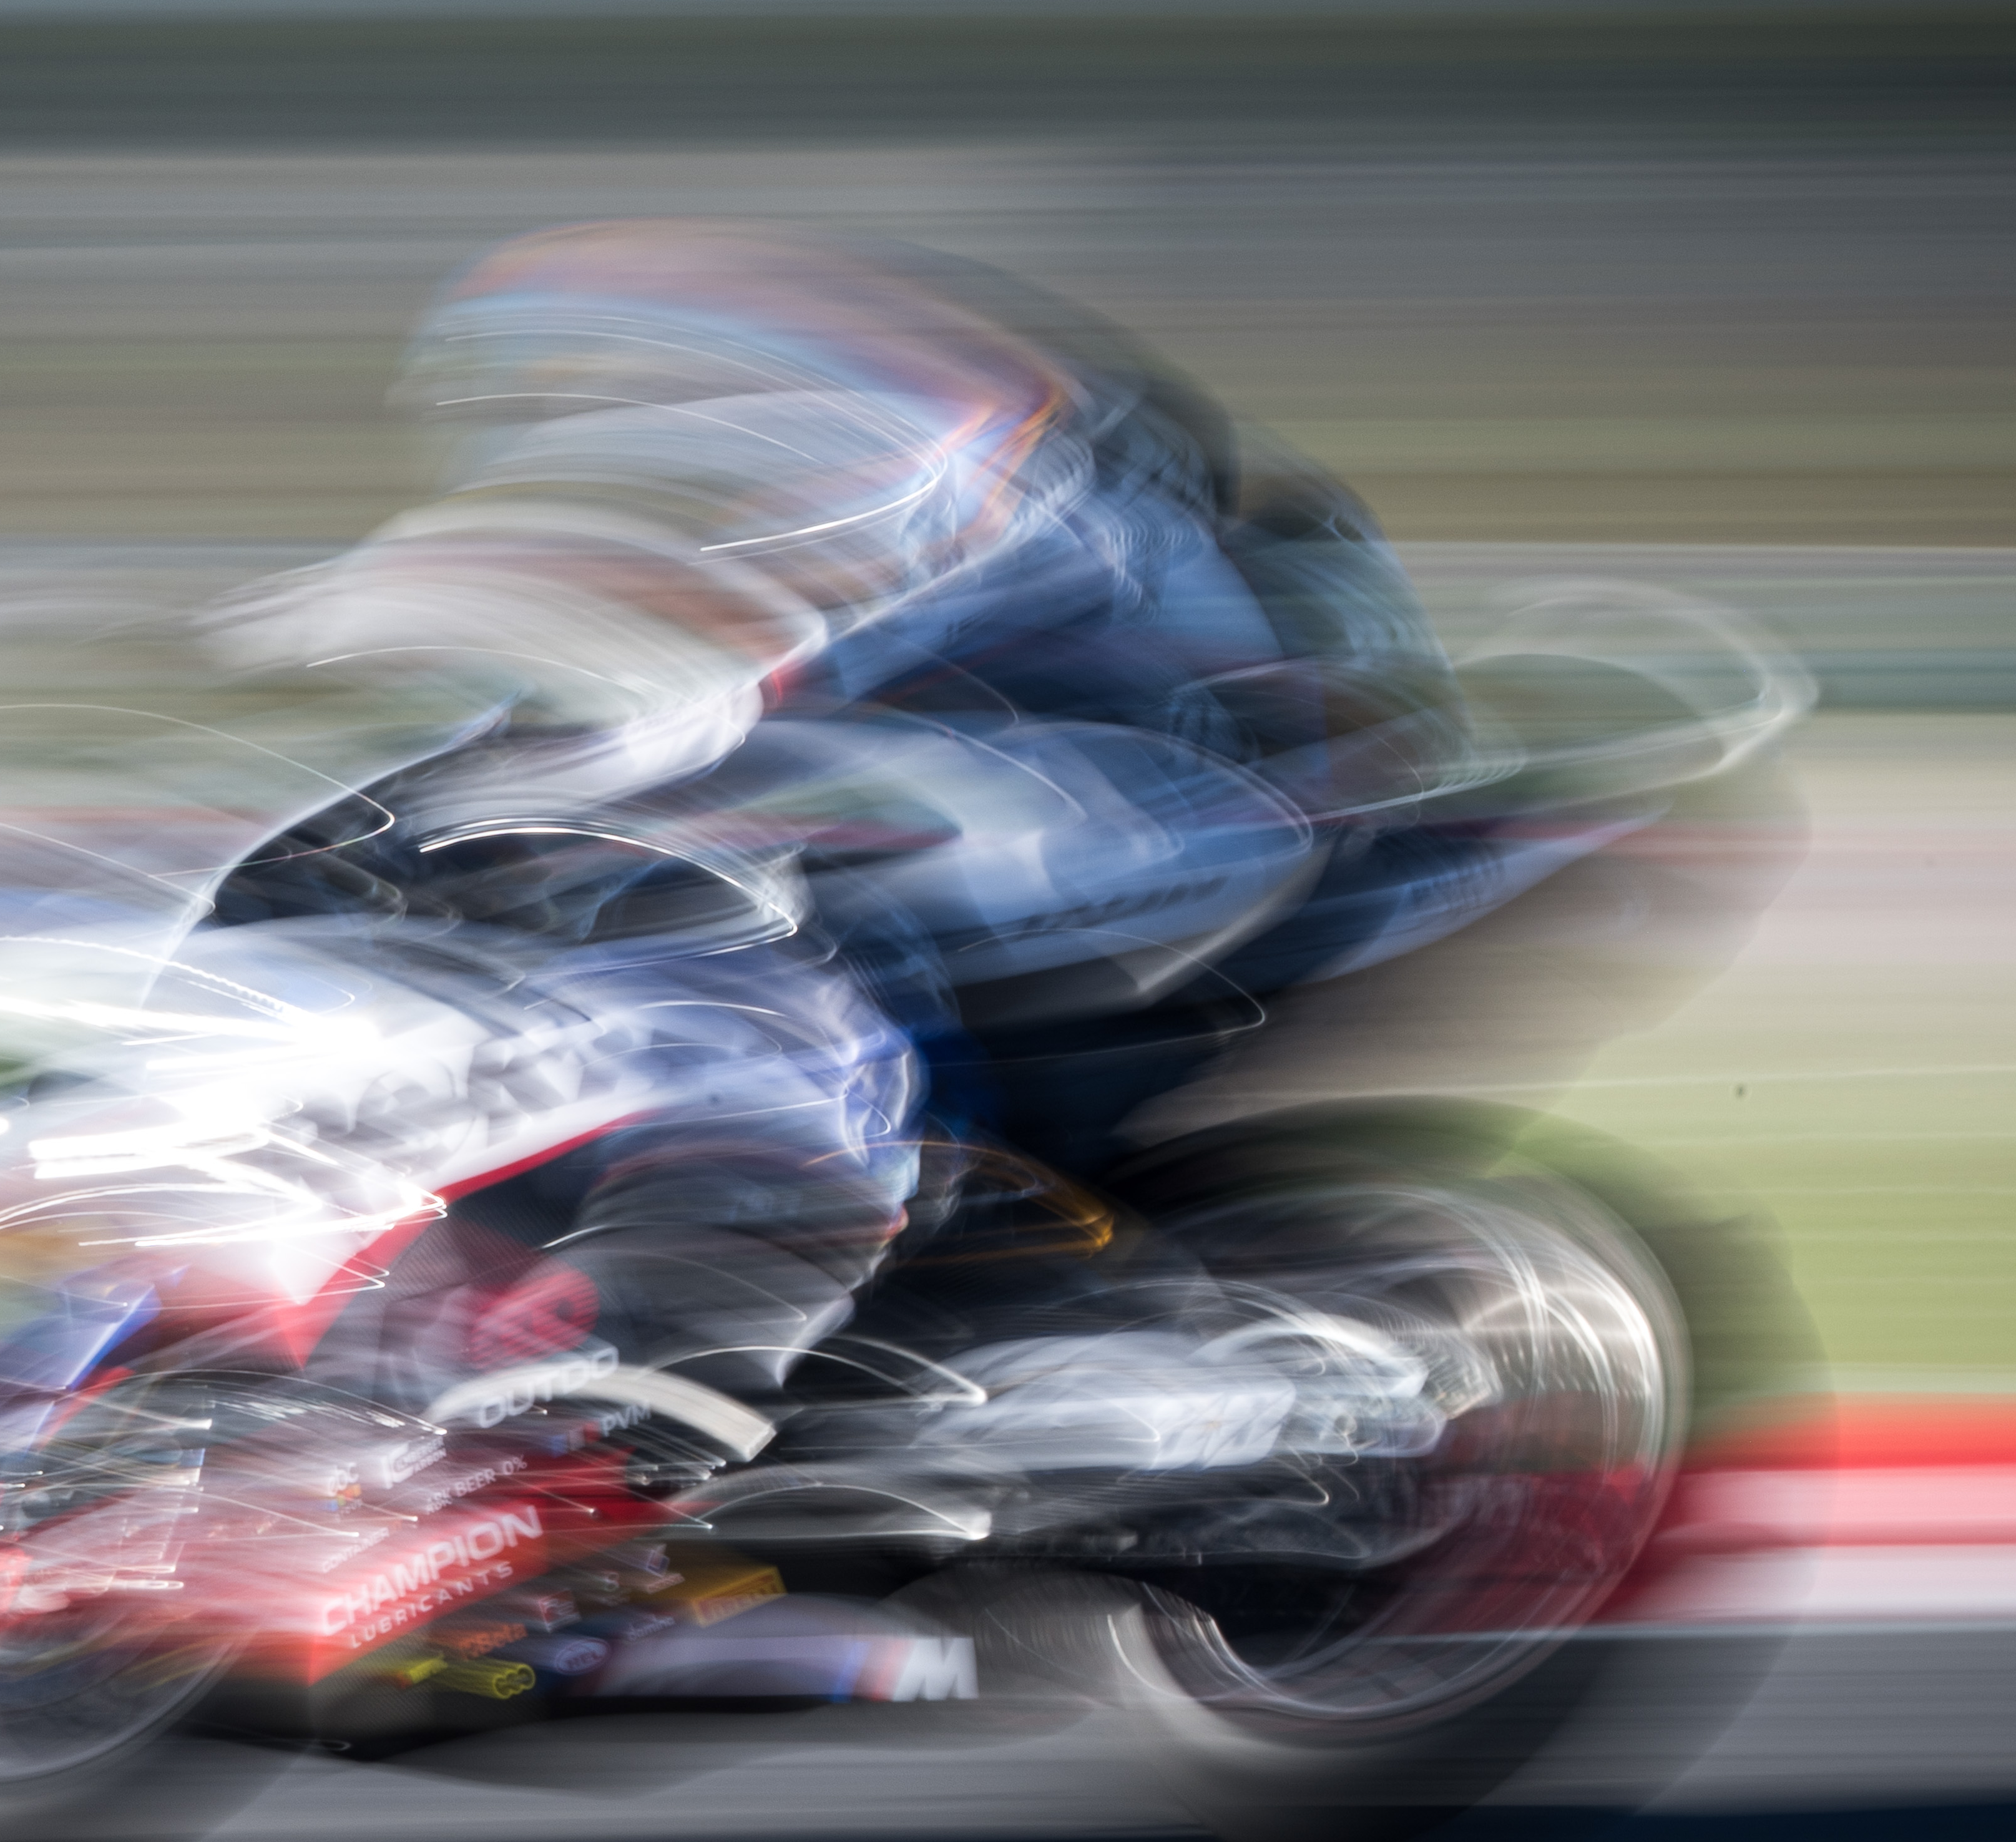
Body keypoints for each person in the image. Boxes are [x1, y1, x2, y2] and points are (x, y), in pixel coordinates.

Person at [187, 219, 1808, 1418]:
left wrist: (537, 789)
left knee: (735, 966)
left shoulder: (1069, 523)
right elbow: (639, 718)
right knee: (660, 966)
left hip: (1150, 863)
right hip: (1096, 908)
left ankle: (680, 1342)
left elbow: (769, 701)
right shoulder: (940, 570)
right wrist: (369, 830)